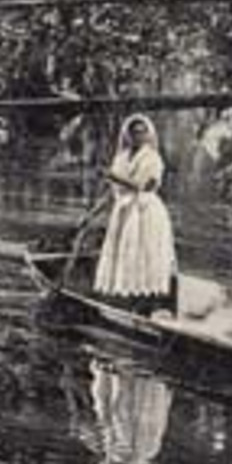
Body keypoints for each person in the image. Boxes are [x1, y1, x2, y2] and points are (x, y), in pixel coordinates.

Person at [84, 113, 178, 315]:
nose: (138, 136)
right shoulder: (121, 157)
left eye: (142, 132)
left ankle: (149, 301)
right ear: (127, 135)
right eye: (133, 132)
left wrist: (112, 176)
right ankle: (130, 300)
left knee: (145, 254)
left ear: (147, 135)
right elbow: (114, 192)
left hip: (146, 212)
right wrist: (92, 213)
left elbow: (144, 186)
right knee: (127, 256)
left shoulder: (153, 159)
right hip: (125, 211)